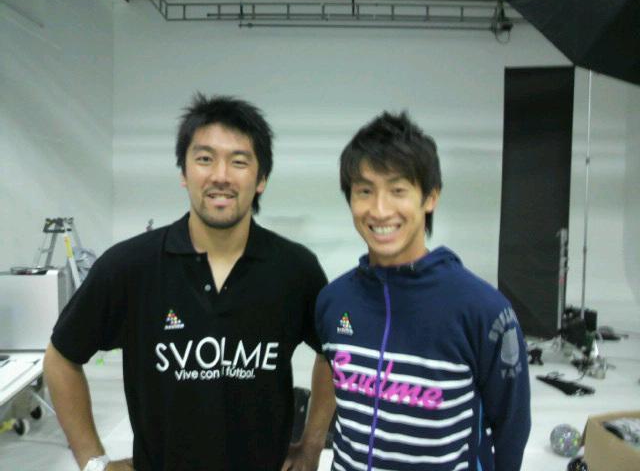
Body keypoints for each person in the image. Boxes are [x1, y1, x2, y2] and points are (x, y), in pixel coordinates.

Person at [44, 94, 336, 471]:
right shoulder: (130, 267)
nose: (220, 176)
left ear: (261, 178)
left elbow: (335, 354)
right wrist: (94, 462)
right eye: (204, 158)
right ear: (184, 173)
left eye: (239, 161)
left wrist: (312, 445)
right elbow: (61, 357)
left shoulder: (295, 269)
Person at [315, 112, 531, 471]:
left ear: (430, 198)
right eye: (365, 191)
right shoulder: (334, 301)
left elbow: (512, 426)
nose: (380, 210)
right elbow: (327, 369)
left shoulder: (484, 310)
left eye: (398, 190)